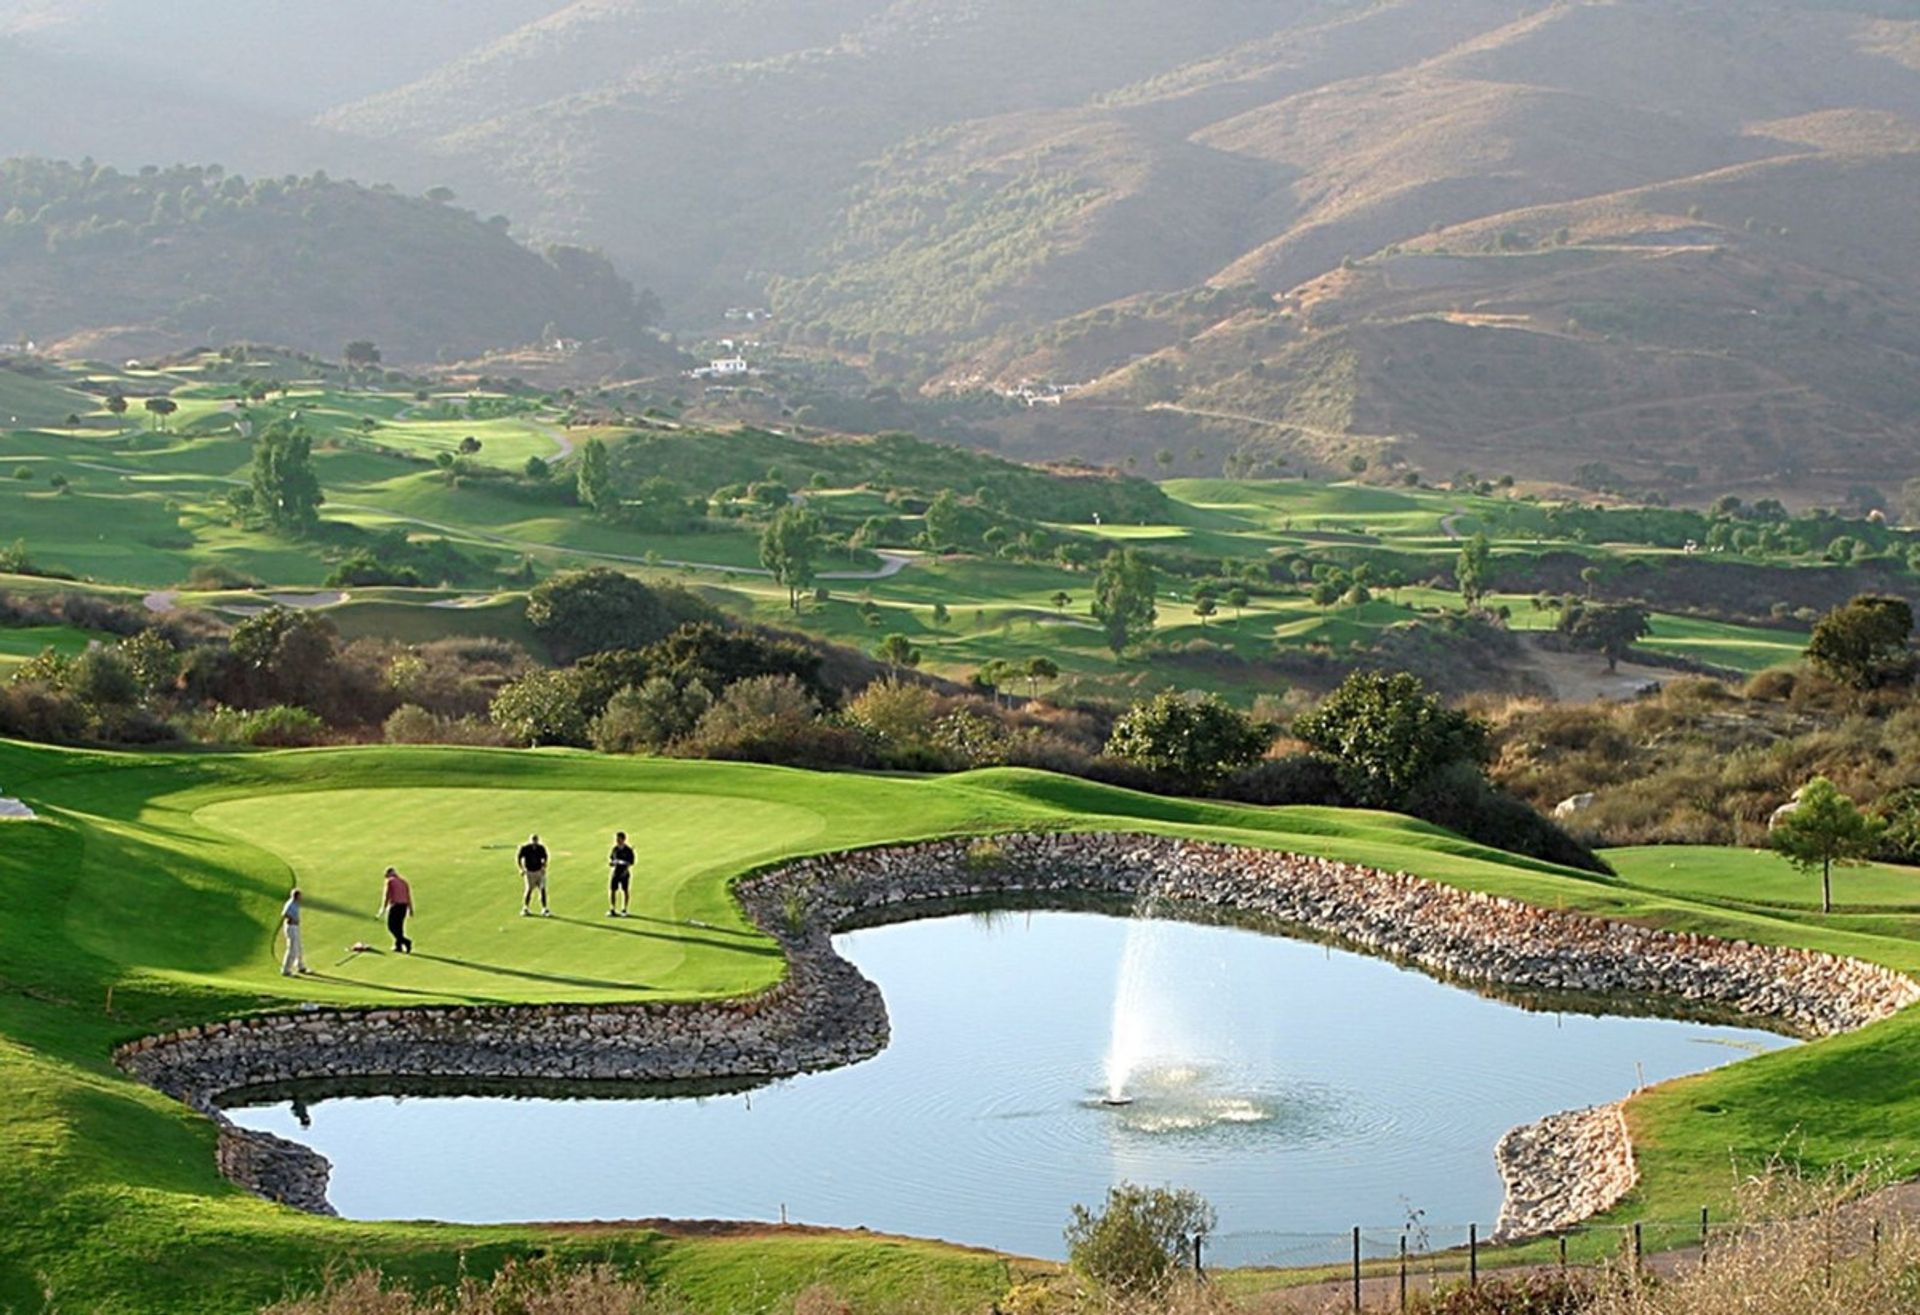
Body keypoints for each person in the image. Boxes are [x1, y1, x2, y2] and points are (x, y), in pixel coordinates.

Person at [379, 867, 414, 953]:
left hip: (395, 905)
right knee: (399, 927)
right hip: (404, 906)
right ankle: (398, 946)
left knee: (391, 926)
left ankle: (406, 941)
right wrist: (410, 908)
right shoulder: (404, 882)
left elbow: (387, 895)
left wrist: (383, 907)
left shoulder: (390, 881)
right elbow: (408, 896)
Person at [517, 832, 551, 917]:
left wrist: (544, 866)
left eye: (536, 841)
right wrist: (521, 869)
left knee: (542, 889)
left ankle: (544, 909)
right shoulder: (525, 848)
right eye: (533, 841)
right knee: (529, 890)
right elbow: (519, 858)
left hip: (539, 871)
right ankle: (525, 908)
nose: (534, 843)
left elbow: (545, 857)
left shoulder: (541, 848)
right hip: (529, 872)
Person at [280, 887, 308, 977]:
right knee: (292, 949)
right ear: (296, 896)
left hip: (295, 926)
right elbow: (284, 914)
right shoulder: (290, 904)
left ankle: (300, 966)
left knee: (299, 947)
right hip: (291, 927)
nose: (301, 898)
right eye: (300, 896)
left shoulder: (296, 903)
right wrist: (291, 919)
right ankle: (286, 970)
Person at [607, 830, 636, 918]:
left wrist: (624, 864)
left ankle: (624, 909)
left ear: (623, 839)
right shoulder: (615, 849)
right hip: (616, 872)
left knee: (625, 890)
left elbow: (631, 862)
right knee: (613, 890)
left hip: (624, 873)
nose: (617, 840)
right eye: (616, 839)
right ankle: (612, 909)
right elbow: (612, 859)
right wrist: (612, 863)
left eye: (619, 839)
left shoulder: (628, 850)